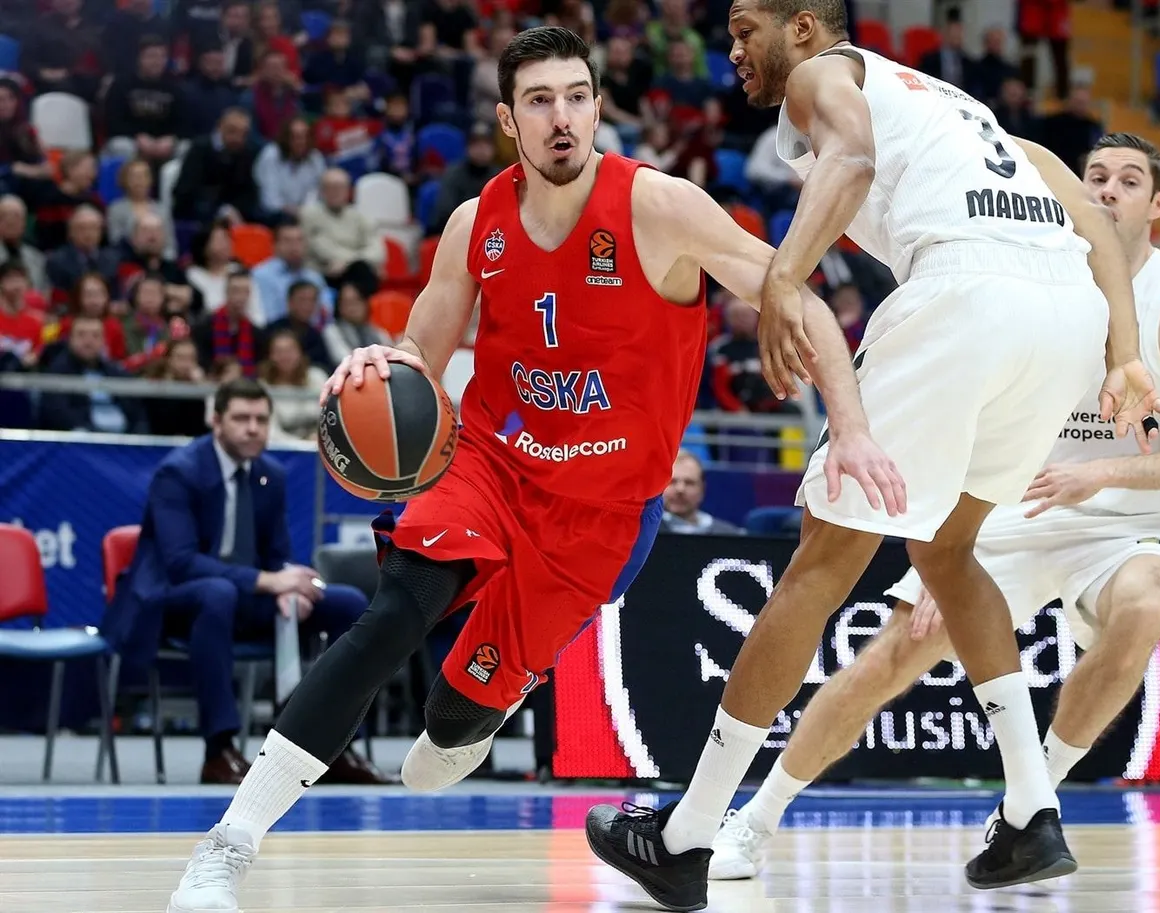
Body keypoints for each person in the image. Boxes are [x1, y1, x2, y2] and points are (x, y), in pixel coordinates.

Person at [165, 26, 877, 913]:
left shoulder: (659, 207)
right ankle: (229, 842)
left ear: (597, 106)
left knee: (444, 745)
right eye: (539, 101)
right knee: (393, 615)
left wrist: (847, 428)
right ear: (509, 119)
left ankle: (481, 702)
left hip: (601, 516)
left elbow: (793, 293)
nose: (563, 117)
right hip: (491, 463)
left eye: (577, 96)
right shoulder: (476, 223)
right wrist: (372, 367)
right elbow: (418, 354)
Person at [584, 4, 1160, 909]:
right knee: (948, 547)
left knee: (821, 565)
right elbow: (1089, 216)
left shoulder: (830, 77)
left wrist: (783, 276)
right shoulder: (954, 103)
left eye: (747, 27)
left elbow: (851, 157)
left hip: (966, 292)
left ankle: (688, 832)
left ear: (807, 27)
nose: (732, 49)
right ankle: (1030, 810)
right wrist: (1124, 352)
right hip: (1065, 320)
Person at [707, 132, 1160, 879]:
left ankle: (1032, 802)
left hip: (1129, 525)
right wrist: (947, 548)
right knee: (892, 654)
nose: (1106, 190)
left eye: (1128, 180)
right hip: (1009, 513)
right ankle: (753, 821)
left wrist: (1105, 475)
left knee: (1145, 606)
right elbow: (970, 416)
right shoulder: (1038, 276)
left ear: (1158, 204)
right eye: (1094, 175)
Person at [102, 378, 381, 785]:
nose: (253, 428)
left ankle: (330, 745)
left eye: (261, 419)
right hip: (172, 602)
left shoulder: (271, 475)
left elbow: (276, 557)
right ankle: (219, 751)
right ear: (216, 422)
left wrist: (290, 585)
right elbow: (181, 563)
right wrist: (269, 580)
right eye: (241, 418)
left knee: (347, 603)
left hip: (241, 596)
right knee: (218, 593)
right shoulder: (178, 473)